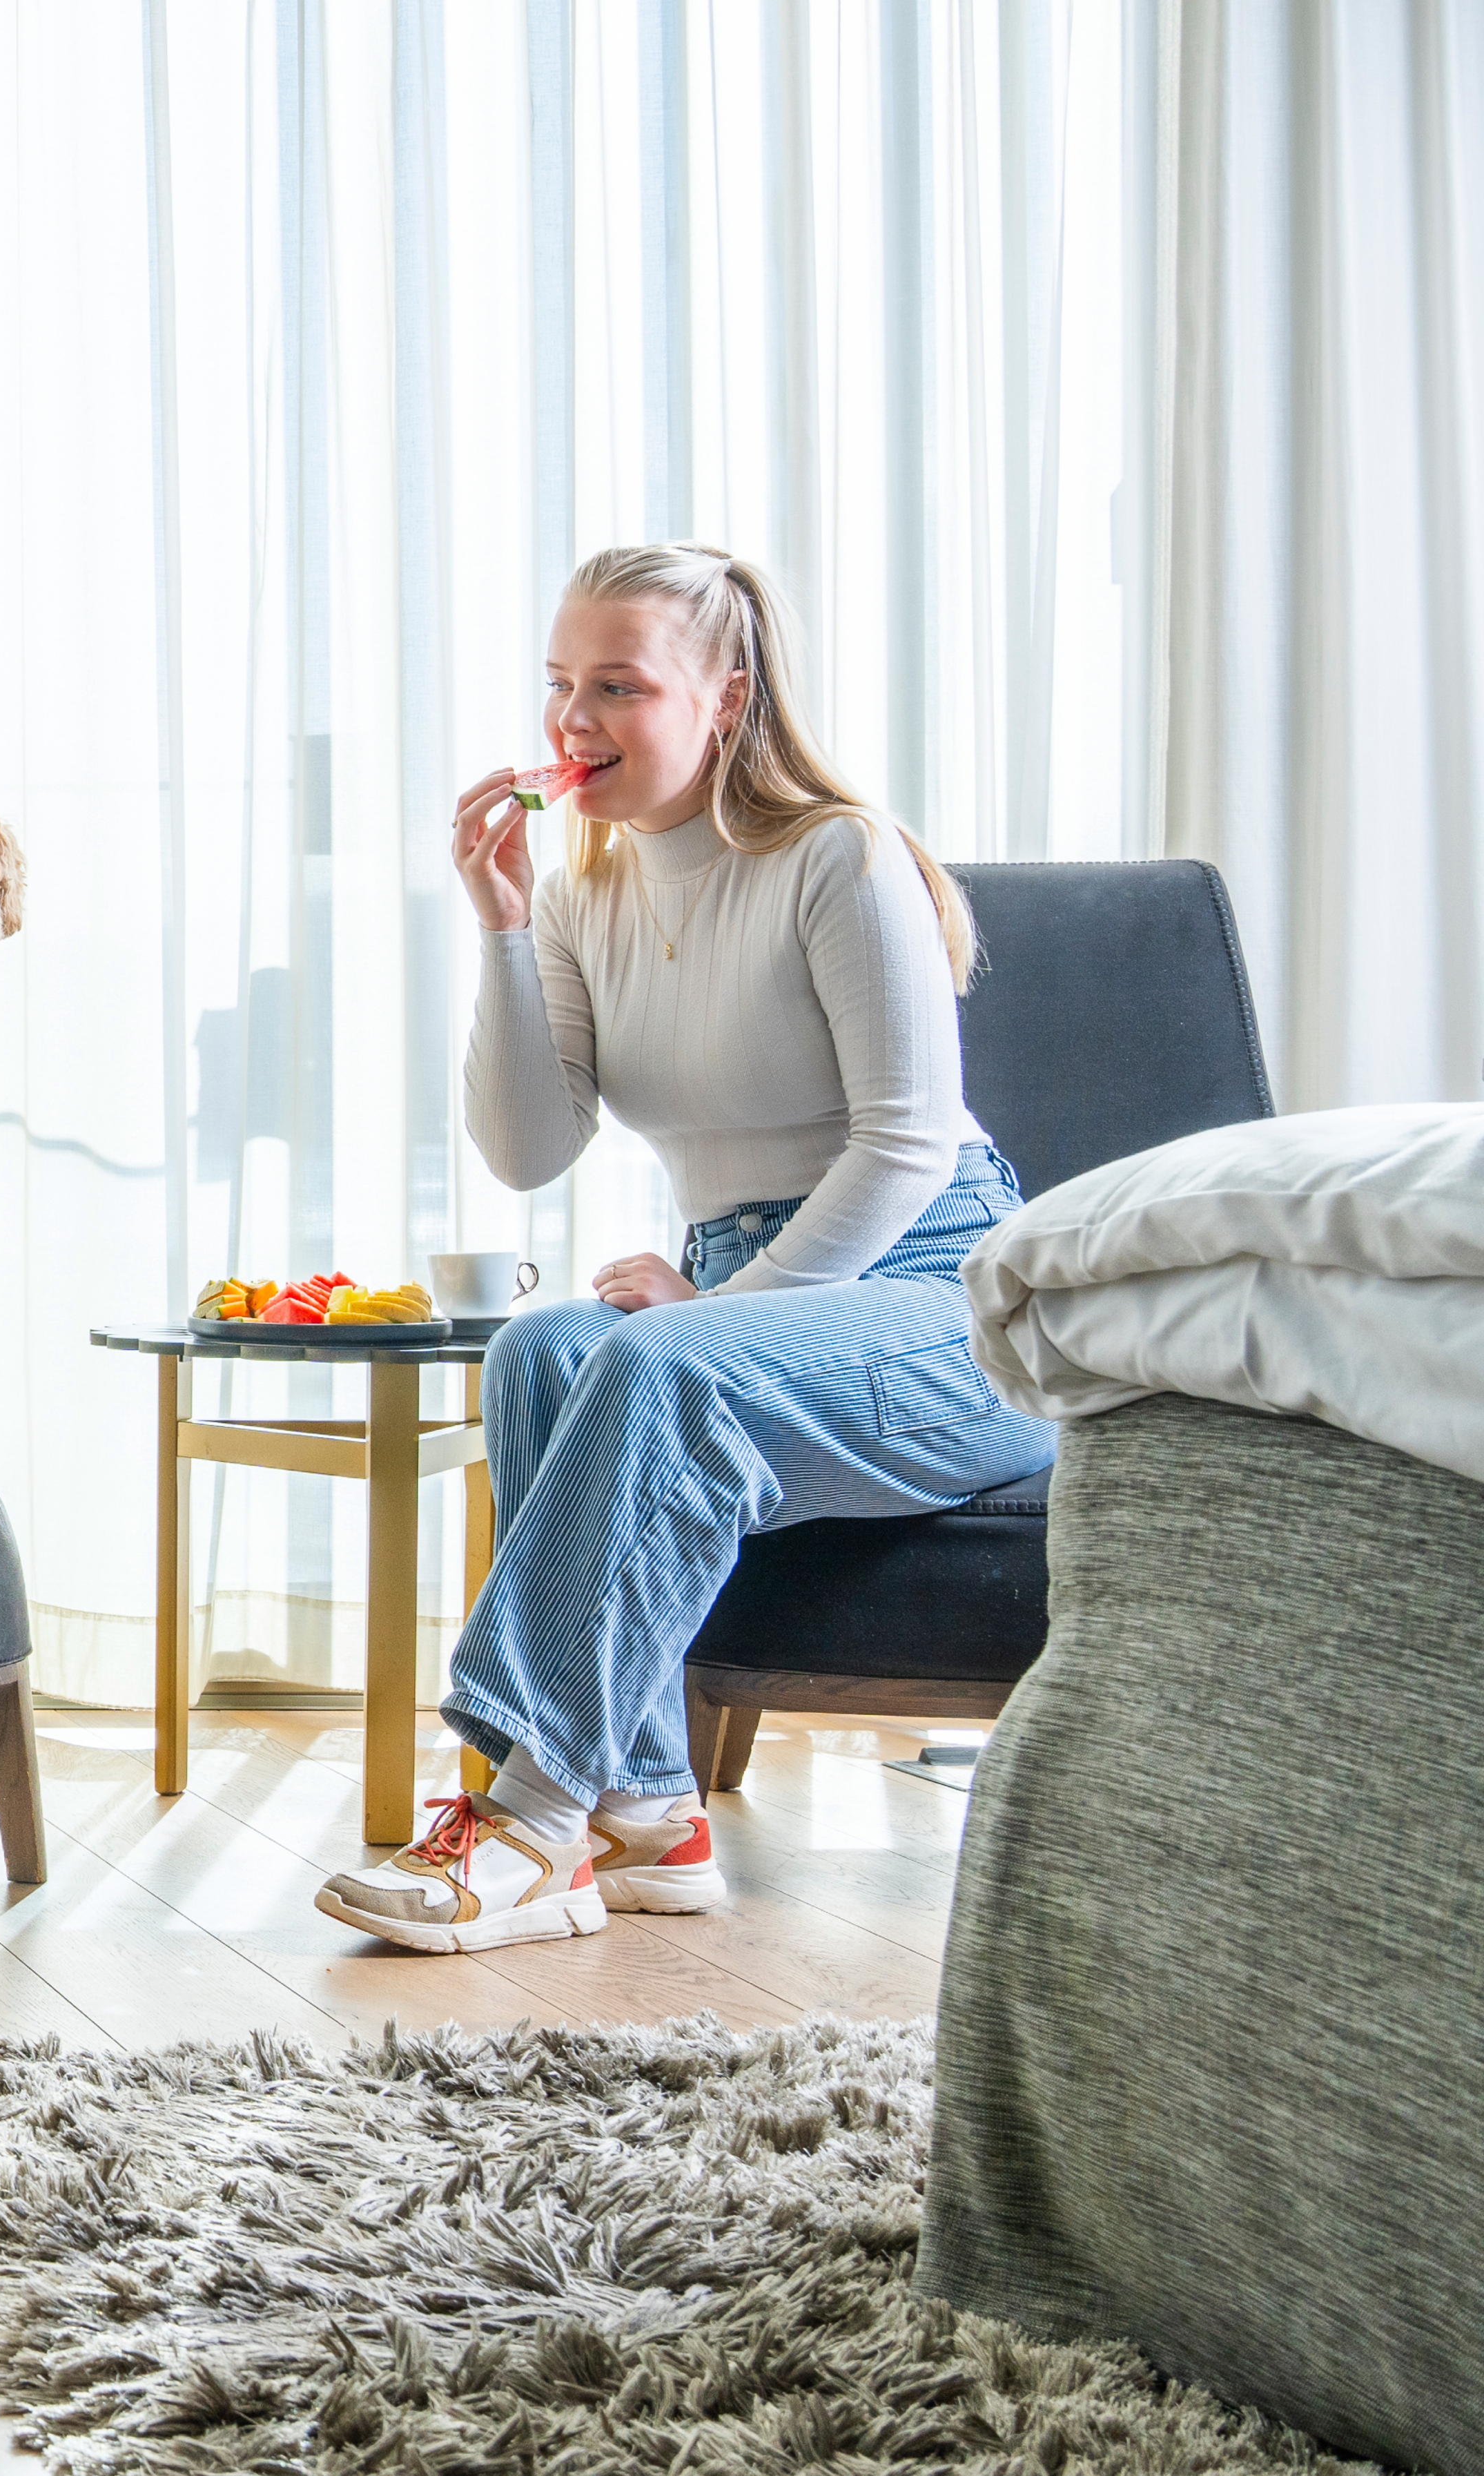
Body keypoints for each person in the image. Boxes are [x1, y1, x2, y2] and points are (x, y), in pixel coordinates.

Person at [315, 542, 1055, 1955]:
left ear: (725, 695)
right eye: (559, 685)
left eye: (617, 685)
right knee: (544, 1348)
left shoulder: (839, 855)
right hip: (762, 1295)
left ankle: (526, 1818)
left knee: (653, 1362)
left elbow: (903, 1146)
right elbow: (530, 1148)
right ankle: (649, 1817)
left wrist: (723, 1301)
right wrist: (504, 926)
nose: (573, 721)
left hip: (948, 1296)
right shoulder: (589, 891)